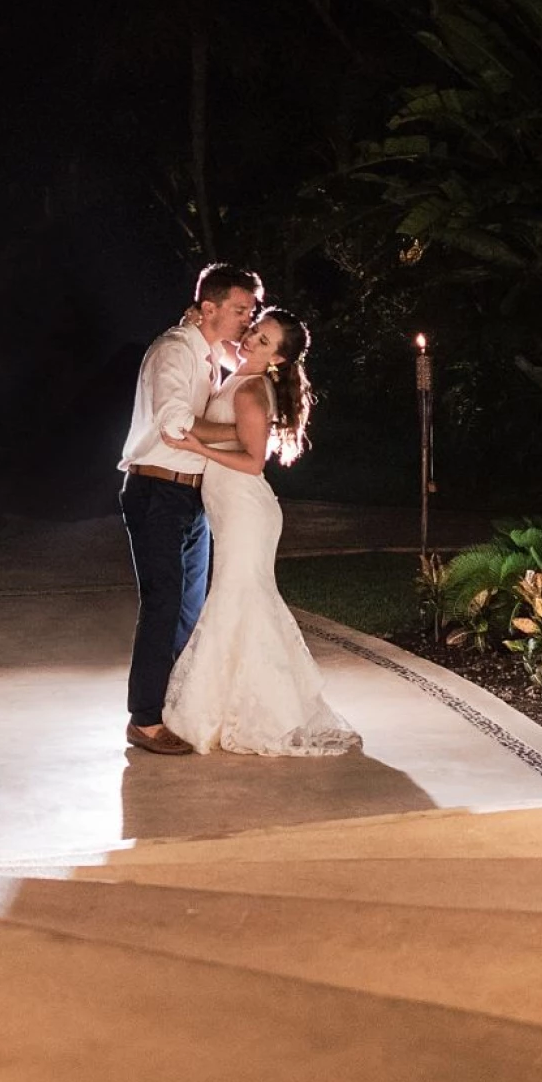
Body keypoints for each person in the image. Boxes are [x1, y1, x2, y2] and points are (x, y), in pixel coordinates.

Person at [159, 308, 361, 756]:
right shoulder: (243, 370)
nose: (251, 340)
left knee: (238, 601)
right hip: (232, 508)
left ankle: (259, 713)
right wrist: (195, 317)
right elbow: (219, 342)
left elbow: (253, 462)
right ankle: (239, 704)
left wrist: (195, 445)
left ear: (279, 361)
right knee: (241, 602)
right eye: (254, 331)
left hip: (246, 508)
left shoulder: (251, 388)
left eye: (265, 341)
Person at [118, 263, 259, 755]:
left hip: (189, 494)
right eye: (240, 310)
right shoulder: (175, 351)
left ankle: (175, 704)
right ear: (209, 308)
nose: (248, 319)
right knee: (164, 602)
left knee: (189, 608)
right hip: (158, 490)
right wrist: (247, 434)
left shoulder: (206, 355)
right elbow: (176, 424)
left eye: (251, 310)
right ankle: (146, 718)